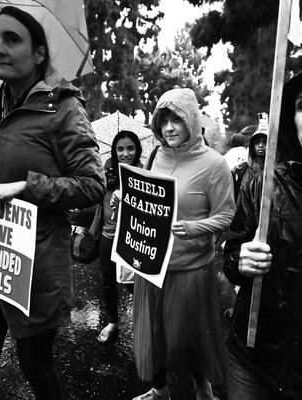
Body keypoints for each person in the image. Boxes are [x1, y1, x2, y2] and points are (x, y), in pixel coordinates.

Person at [0, 7, 105, 400]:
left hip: (33, 270)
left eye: (12, 39)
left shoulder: (63, 109)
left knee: (37, 369)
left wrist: (25, 187)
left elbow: (92, 184)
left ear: (40, 54)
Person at [130, 88, 235, 400]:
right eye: (164, 120)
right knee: (154, 335)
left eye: (177, 119)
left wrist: (194, 227)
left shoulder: (215, 165)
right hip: (152, 267)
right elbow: (147, 198)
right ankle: (159, 390)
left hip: (191, 271)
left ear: (191, 119)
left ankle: (202, 390)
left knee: (192, 338)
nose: (169, 128)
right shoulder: (154, 155)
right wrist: (129, 200)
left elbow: (227, 214)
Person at [223, 73, 302, 400]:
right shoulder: (262, 184)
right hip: (251, 359)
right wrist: (241, 260)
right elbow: (231, 258)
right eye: (301, 106)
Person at [95, 129, 143, 343]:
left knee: (133, 282)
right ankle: (113, 321)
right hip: (108, 233)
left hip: (132, 236)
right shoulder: (107, 168)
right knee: (107, 279)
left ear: (138, 149)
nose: (125, 153)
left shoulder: (144, 171)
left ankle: (144, 321)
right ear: (114, 150)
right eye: (120, 149)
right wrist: (105, 182)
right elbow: (96, 192)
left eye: (130, 148)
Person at [232, 113, 268, 203]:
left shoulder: (277, 171)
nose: (261, 145)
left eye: (264, 142)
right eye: (257, 142)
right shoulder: (242, 170)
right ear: (252, 145)